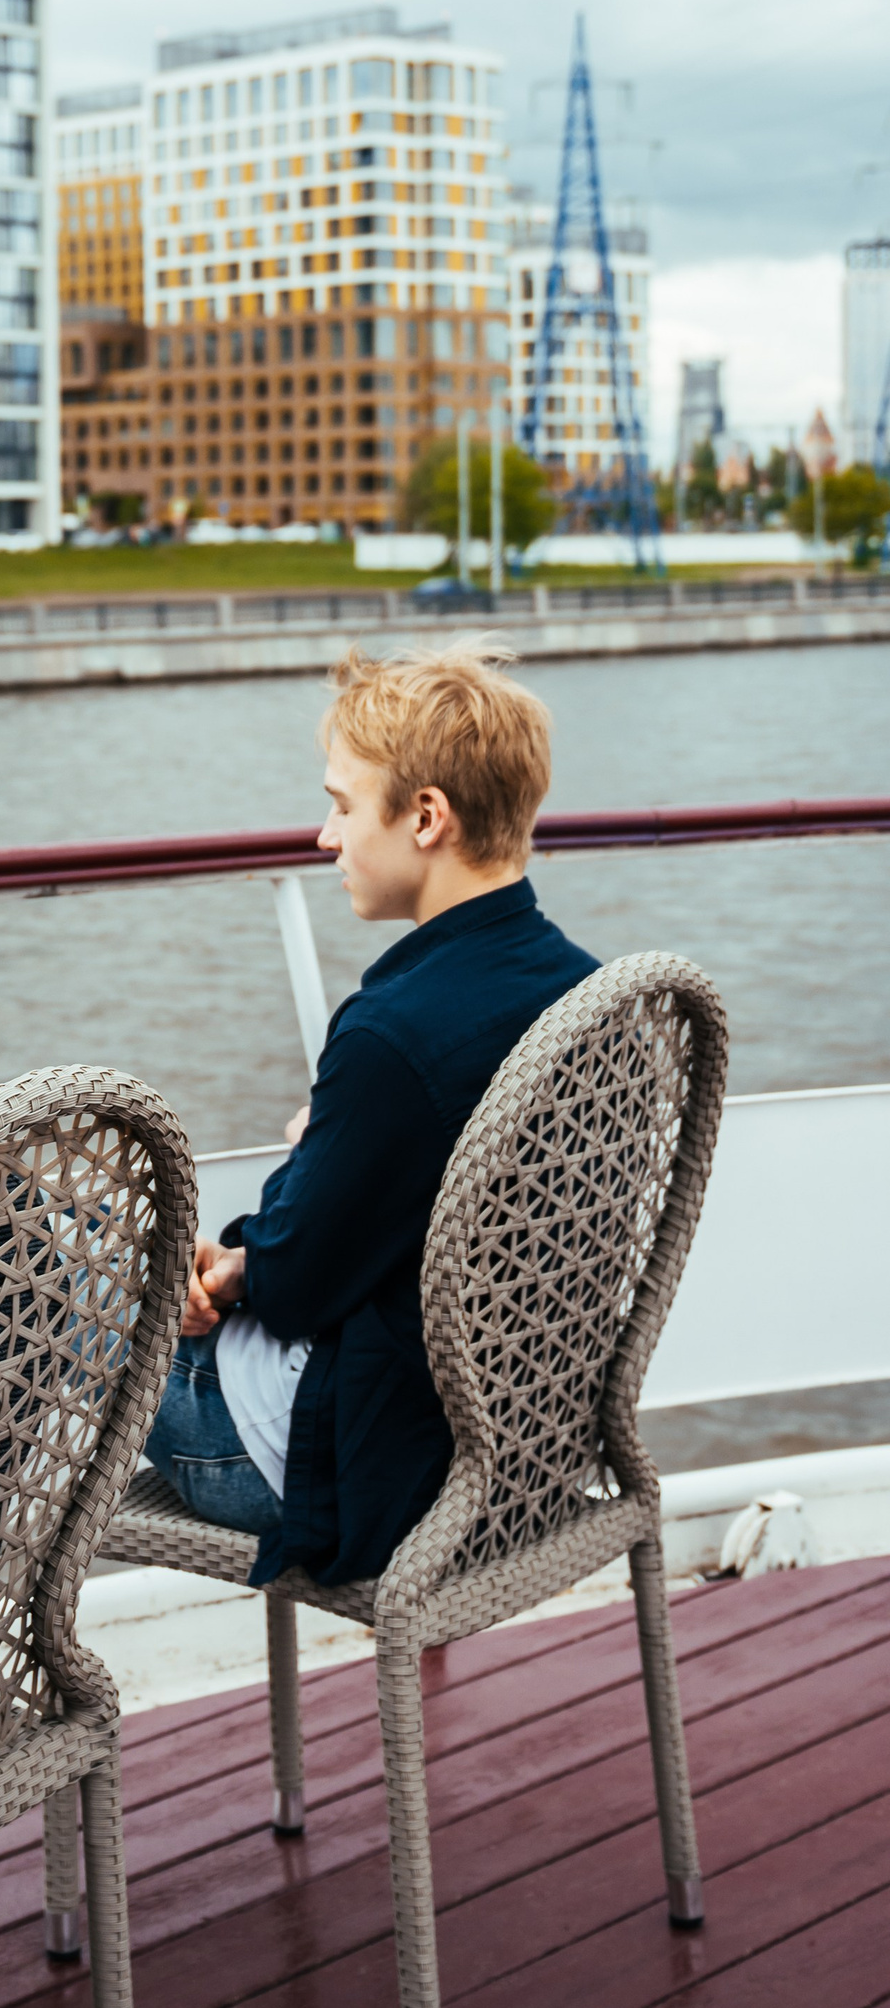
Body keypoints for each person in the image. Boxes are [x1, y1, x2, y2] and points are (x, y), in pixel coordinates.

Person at [144, 639, 599, 1589]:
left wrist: (246, 1252)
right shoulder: (587, 992)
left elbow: (299, 1289)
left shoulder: (393, 1036)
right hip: (529, 1452)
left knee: (40, 1273)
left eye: (343, 806)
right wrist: (273, 1232)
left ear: (425, 817)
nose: (326, 837)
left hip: (352, 1471)